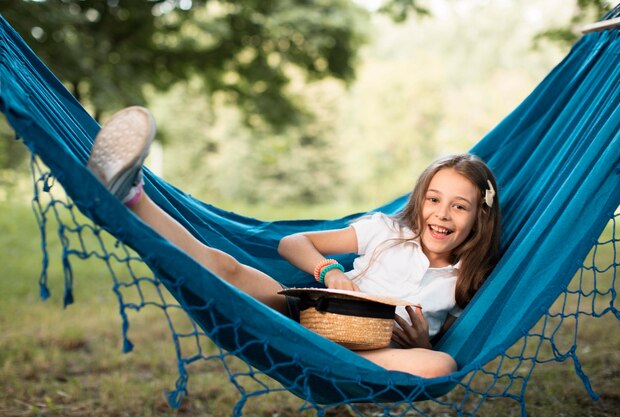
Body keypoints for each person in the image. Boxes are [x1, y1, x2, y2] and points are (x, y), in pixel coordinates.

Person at [87, 106, 502, 378]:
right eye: (433, 199)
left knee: (442, 363)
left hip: (373, 356)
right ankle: (132, 198)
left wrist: (424, 344)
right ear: (420, 200)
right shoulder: (387, 231)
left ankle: (335, 364)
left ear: (479, 218)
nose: (442, 214)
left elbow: (442, 343)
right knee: (225, 267)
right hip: (307, 319)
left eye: (459, 207)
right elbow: (292, 243)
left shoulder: (463, 280)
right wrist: (331, 270)